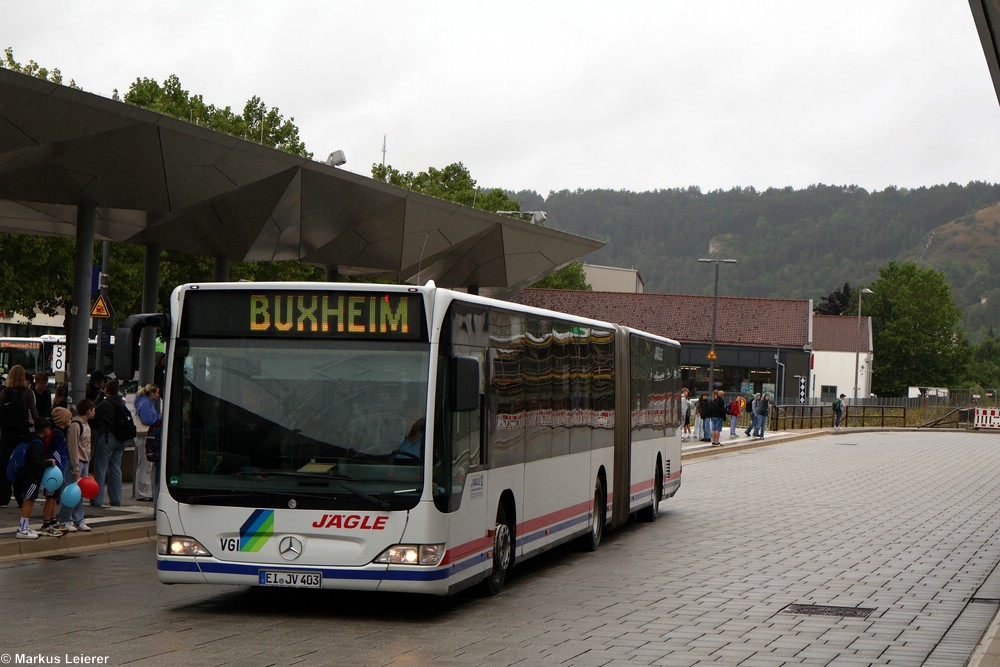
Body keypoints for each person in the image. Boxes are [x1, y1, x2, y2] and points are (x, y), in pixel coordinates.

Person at [0, 364, 42, 508]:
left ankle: (3, 496)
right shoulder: (27, 393)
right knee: (21, 463)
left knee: (5, 463)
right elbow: (34, 414)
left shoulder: (3, 393)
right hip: (22, 433)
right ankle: (20, 497)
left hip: (6, 433)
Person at [10, 421, 57, 539]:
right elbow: (36, 462)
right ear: (46, 429)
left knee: (28, 500)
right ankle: (22, 529)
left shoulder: (30, 440)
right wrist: (49, 462)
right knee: (29, 500)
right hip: (31, 477)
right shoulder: (37, 443)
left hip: (26, 475)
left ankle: (25, 526)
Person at [90, 378, 132, 508]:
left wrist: (100, 395)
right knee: (115, 469)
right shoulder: (121, 403)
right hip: (120, 440)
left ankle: (97, 500)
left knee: (100, 469)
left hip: (107, 437)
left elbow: (93, 414)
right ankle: (116, 499)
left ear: (106, 390)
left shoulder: (105, 404)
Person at [57, 400, 94, 532]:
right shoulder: (76, 426)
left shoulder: (85, 424)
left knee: (79, 492)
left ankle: (79, 518)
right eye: (93, 410)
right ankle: (65, 518)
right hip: (76, 462)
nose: (94, 412)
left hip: (84, 461)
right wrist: (75, 466)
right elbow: (72, 447)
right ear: (89, 411)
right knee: (69, 491)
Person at [133, 384, 161, 501]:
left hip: (143, 435)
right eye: (157, 392)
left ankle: (144, 491)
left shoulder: (142, 402)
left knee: (145, 464)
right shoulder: (146, 403)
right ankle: (143, 492)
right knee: (145, 465)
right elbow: (147, 419)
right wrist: (158, 418)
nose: (158, 395)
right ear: (152, 393)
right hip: (145, 435)